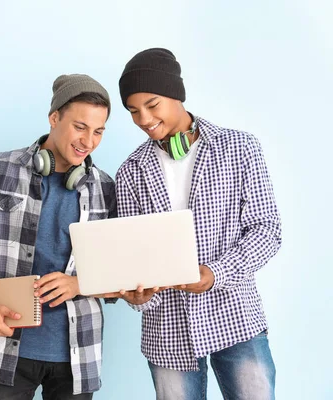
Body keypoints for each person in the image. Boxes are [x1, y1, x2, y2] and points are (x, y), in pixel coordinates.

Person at [114, 48, 282, 400]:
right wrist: (138, 296)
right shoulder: (130, 172)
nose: (143, 118)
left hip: (235, 316)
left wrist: (214, 273)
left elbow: (267, 230)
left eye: (152, 104)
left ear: (177, 94)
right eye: (133, 111)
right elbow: (132, 257)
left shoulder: (239, 148)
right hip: (167, 331)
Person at [0, 74, 116, 399]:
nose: (88, 141)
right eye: (80, 127)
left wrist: (78, 284)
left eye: (98, 131)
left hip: (78, 356)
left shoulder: (105, 188)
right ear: (54, 118)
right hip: (6, 350)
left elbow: (120, 268)